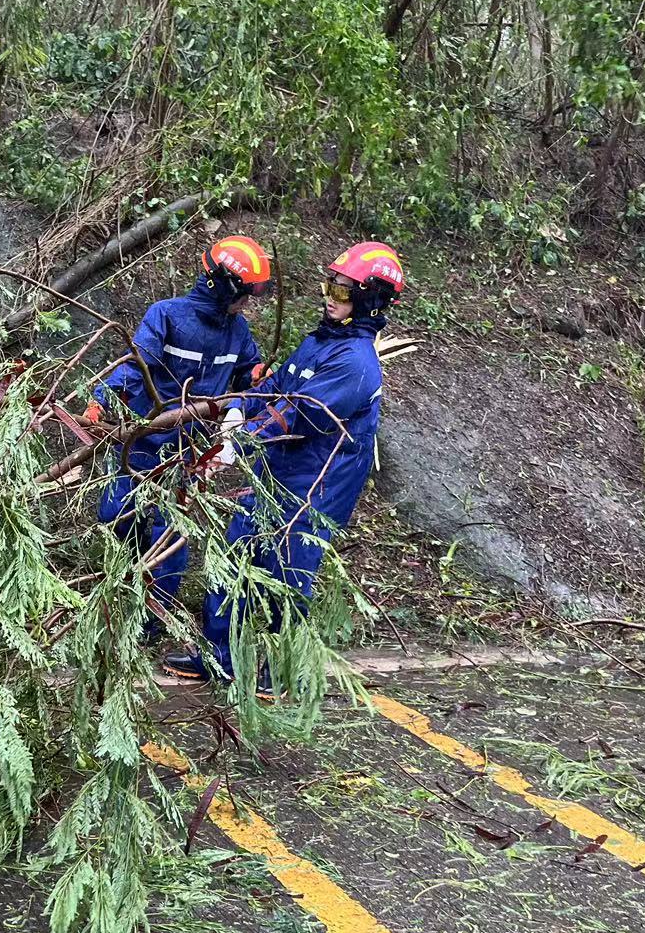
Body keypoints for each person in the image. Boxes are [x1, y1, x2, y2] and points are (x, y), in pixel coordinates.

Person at [163, 241, 406, 688]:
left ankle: (277, 672)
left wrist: (236, 444)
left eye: (341, 291)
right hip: (275, 475)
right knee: (232, 561)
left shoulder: (355, 363)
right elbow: (277, 385)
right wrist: (233, 408)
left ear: (369, 299)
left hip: (314, 490)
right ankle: (221, 659)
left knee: (284, 579)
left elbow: (302, 415)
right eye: (329, 286)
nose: (329, 298)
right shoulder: (319, 342)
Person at [85, 236, 272, 625]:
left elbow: (246, 377)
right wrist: (102, 398)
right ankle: (118, 595)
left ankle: (153, 620)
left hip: (190, 451)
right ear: (220, 283)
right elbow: (135, 365)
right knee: (118, 514)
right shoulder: (167, 315)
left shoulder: (238, 332)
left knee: (170, 532)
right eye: (245, 293)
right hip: (143, 441)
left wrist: (255, 383)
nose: (248, 303)